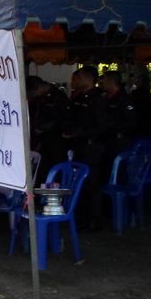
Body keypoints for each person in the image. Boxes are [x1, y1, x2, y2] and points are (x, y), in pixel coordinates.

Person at [63, 66, 106, 230]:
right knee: (80, 183)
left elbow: (102, 126)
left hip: (90, 146)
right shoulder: (79, 97)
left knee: (91, 183)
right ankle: (82, 217)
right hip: (78, 146)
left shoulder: (98, 99)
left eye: (79, 77)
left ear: (88, 79)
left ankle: (95, 220)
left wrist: (81, 133)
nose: (75, 80)